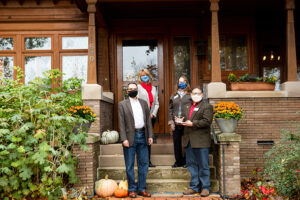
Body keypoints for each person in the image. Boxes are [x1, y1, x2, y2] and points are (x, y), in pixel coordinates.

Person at [118, 82, 153, 198]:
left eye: (135, 88)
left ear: (137, 90)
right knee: (130, 165)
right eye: (130, 89)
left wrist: (150, 136)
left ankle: (142, 189)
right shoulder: (122, 104)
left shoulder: (144, 103)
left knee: (144, 164)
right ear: (127, 91)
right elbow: (121, 123)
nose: (133, 90)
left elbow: (148, 121)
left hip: (143, 135)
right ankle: (132, 189)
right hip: (129, 138)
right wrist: (123, 138)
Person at [177, 86, 213, 197]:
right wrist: (179, 122)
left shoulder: (207, 106)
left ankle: (205, 187)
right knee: (191, 165)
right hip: (188, 141)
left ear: (202, 95)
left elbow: (207, 122)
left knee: (203, 165)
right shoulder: (186, 106)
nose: (195, 95)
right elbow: (184, 120)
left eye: (198, 93)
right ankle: (194, 186)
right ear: (191, 95)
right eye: (193, 93)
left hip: (201, 141)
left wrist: (193, 123)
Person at [168, 75, 192, 168]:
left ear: (187, 83)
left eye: (183, 81)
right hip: (176, 123)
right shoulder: (173, 95)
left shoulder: (190, 95)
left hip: (186, 123)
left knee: (187, 142)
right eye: (180, 82)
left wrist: (189, 120)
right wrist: (171, 122)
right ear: (177, 83)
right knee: (177, 142)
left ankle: (186, 161)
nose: (181, 83)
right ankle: (178, 161)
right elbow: (170, 109)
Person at [137, 68, 159, 168]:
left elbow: (156, 103)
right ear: (140, 77)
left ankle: (148, 161)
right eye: (142, 75)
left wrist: (153, 114)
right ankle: (142, 161)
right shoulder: (138, 88)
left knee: (149, 139)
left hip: (151, 117)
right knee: (142, 139)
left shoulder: (154, 88)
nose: (144, 76)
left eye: (145, 75)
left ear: (149, 76)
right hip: (141, 117)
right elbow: (135, 103)